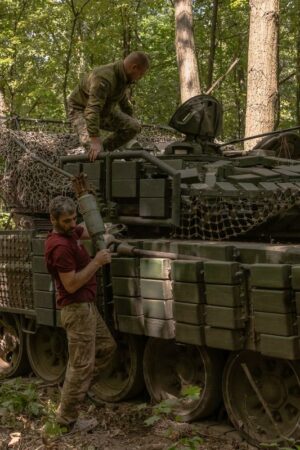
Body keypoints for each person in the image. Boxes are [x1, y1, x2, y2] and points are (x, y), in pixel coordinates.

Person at [44, 195, 117, 431]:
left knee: (106, 348)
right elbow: (72, 285)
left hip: (86, 307)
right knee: (80, 366)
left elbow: (85, 230)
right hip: (75, 309)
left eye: (74, 218)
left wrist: (105, 229)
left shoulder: (70, 233)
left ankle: (74, 394)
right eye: (66, 220)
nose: (72, 223)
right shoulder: (59, 246)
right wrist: (96, 262)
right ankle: (66, 421)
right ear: (53, 219)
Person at [68, 51, 150, 161]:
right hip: (80, 110)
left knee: (134, 126)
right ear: (134, 67)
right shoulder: (104, 78)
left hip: (104, 110)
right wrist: (95, 140)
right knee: (93, 148)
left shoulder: (123, 78)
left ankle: (104, 151)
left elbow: (124, 104)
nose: (140, 77)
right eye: (141, 74)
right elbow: (92, 109)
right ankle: (93, 161)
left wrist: (132, 127)